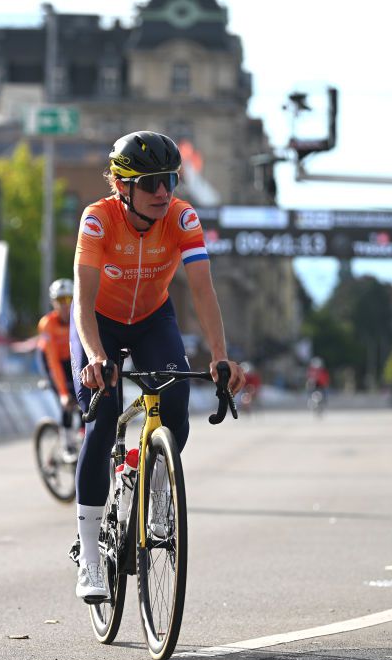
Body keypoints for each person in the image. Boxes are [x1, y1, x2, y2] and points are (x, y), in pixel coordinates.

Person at [69, 130, 246, 601]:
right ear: (122, 186)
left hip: (151, 319)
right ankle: (88, 558)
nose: (163, 192)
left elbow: (204, 290)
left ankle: (159, 488)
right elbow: (83, 302)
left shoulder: (182, 217)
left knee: (176, 402)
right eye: (150, 183)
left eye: (169, 179)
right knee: (102, 418)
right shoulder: (98, 220)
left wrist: (220, 355)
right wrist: (95, 358)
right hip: (99, 322)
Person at [37, 278, 79, 445]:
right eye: (60, 300)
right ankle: (67, 444)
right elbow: (53, 361)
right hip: (51, 361)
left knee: (85, 399)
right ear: (53, 303)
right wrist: (62, 393)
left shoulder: (78, 319)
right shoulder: (47, 324)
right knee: (67, 401)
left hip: (71, 359)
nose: (65, 305)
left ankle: (83, 436)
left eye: (69, 299)